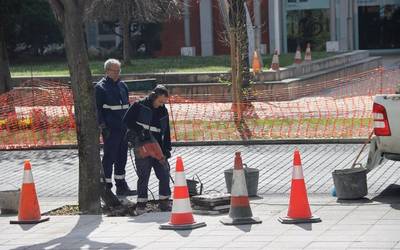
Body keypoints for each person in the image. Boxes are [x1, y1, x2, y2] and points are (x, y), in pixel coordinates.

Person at [123, 85, 172, 214]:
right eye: (160, 101)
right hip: (142, 146)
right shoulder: (139, 105)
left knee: (164, 173)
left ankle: (164, 202)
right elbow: (126, 120)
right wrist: (140, 131)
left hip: (158, 147)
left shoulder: (163, 111)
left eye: (164, 102)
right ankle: (141, 204)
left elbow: (166, 132)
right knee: (143, 175)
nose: (162, 105)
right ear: (153, 96)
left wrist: (167, 150)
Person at [95, 58, 136, 196]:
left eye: (119, 71)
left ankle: (121, 185)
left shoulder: (123, 86)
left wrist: (130, 126)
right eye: (115, 71)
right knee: (109, 157)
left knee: (121, 157)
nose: (117, 73)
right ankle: (107, 187)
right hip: (111, 129)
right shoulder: (100, 88)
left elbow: (127, 107)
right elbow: (97, 109)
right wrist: (102, 126)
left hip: (123, 128)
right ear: (107, 71)